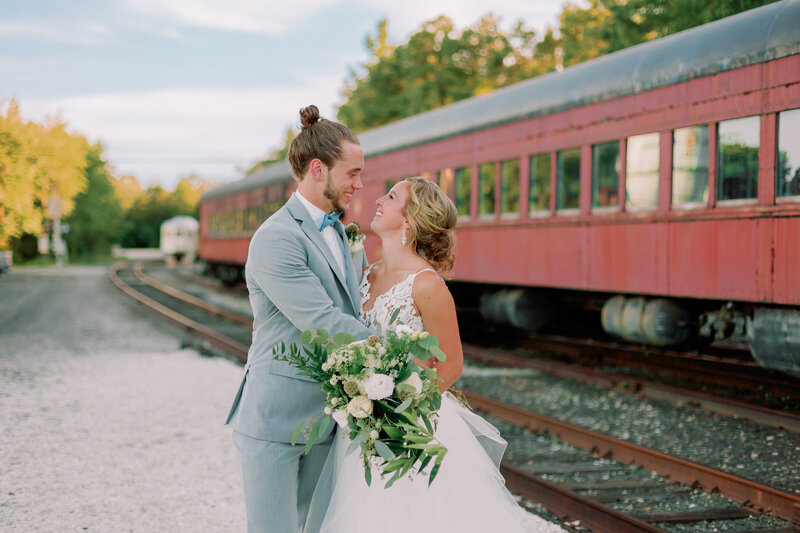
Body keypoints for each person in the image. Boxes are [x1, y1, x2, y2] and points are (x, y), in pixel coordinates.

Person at [304, 177, 565, 533]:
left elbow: (452, 364)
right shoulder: (365, 273)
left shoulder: (427, 285)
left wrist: (396, 415)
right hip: (362, 427)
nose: (378, 199)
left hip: (407, 429)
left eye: (391, 196)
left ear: (409, 218)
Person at [225, 105, 374, 533]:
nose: (359, 184)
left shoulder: (344, 232)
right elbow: (321, 320)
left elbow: (354, 305)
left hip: (330, 419)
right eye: (352, 173)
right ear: (317, 169)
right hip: (275, 420)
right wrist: (394, 355)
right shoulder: (277, 238)